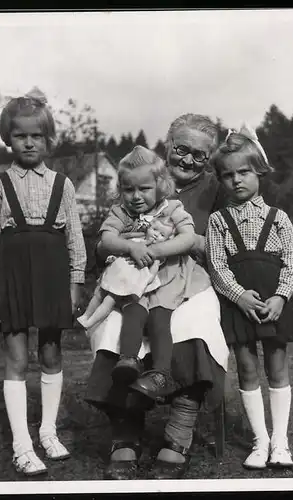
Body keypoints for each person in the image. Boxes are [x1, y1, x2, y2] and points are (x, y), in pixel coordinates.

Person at [85, 114, 229, 480]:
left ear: (209, 158)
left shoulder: (216, 187)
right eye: (182, 149)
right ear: (167, 145)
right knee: (114, 329)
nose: (189, 160)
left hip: (188, 278)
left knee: (194, 327)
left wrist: (197, 242)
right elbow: (103, 246)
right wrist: (128, 247)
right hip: (134, 278)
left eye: (200, 155)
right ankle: (125, 434)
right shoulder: (142, 177)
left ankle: (177, 435)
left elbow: (228, 240)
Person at [0, 88, 87, 476]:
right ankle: (22, 446)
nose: (28, 141)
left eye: (36, 135)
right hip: (14, 279)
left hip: (54, 276)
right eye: (20, 134)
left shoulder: (63, 185)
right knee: (18, 358)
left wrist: (76, 283)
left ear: (47, 139)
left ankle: (48, 432)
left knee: (52, 354)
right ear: (9, 137)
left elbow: (75, 238)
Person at [207, 125, 293, 470]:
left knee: (277, 368)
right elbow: (217, 266)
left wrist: (280, 297)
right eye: (228, 175)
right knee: (247, 368)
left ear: (259, 171)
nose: (237, 180)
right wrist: (239, 296)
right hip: (239, 305)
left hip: (275, 304)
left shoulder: (279, 218)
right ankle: (260, 442)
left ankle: (280, 443)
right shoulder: (218, 221)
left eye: (244, 171)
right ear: (221, 179)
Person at [82, 146, 196, 396]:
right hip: (134, 278)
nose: (135, 196)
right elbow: (106, 240)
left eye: (144, 189)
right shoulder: (120, 213)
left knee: (159, 317)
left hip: (166, 276)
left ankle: (161, 373)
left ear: (159, 186)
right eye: (128, 189)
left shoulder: (172, 208)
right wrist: (129, 248)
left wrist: (157, 250)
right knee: (133, 310)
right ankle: (128, 360)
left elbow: (188, 239)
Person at [77, 216, 176, 331]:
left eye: (162, 235)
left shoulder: (156, 253)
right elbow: (122, 251)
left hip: (127, 280)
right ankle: (86, 315)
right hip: (115, 272)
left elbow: (152, 272)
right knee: (98, 293)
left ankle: (90, 322)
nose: (156, 235)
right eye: (154, 229)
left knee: (109, 300)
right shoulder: (136, 240)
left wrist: (145, 280)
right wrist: (113, 257)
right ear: (149, 227)